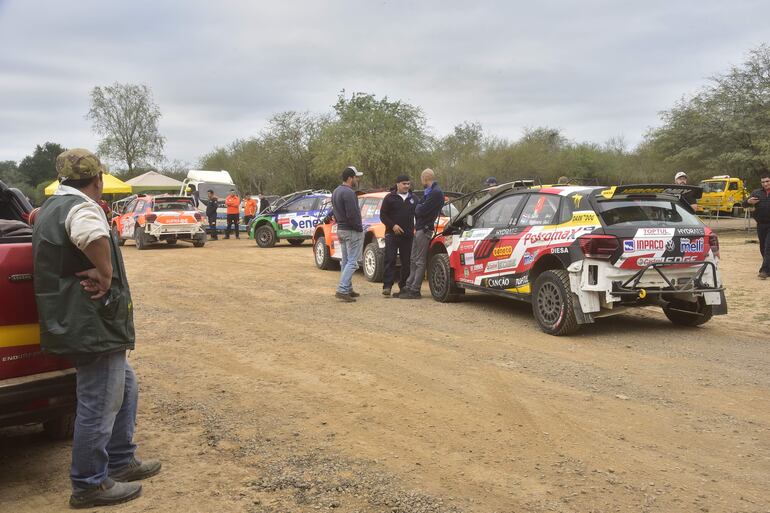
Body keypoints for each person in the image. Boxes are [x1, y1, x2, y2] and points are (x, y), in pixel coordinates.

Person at [31, 149, 160, 509]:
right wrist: (105, 274)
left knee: (125, 384)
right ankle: (89, 483)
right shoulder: (83, 207)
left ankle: (121, 459)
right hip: (90, 320)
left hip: (76, 318)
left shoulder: (52, 208)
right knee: (99, 400)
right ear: (98, 179)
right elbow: (91, 235)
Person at [401, 169, 444, 299]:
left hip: (424, 229)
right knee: (413, 259)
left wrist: (419, 207)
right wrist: (419, 206)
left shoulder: (435, 193)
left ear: (425, 179)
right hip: (419, 228)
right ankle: (409, 285)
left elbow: (420, 210)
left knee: (419, 261)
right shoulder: (430, 192)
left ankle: (415, 289)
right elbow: (419, 207)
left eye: (421, 180)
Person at [379, 175, 416, 297]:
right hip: (391, 234)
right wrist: (393, 225)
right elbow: (383, 215)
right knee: (390, 259)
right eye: (404, 183)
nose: (406, 186)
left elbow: (419, 214)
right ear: (397, 184)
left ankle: (403, 286)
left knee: (406, 262)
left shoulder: (414, 198)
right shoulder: (389, 198)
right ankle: (387, 286)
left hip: (408, 236)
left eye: (408, 184)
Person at [332, 166, 364, 302]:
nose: (357, 179)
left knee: (345, 261)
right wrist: (359, 228)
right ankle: (343, 289)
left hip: (341, 229)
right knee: (353, 262)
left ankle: (348, 288)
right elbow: (352, 214)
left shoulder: (336, 191)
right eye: (356, 177)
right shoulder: (349, 193)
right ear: (350, 178)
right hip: (351, 231)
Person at [745, 173, 770, 279]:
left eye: (767, 181)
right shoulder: (756, 193)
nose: (765, 184)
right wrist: (748, 201)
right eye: (763, 182)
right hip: (761, 224)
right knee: (763, 247)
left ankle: (764, 270)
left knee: (768, 247)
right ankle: (768, 268)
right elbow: (744, 204)